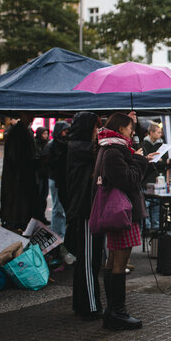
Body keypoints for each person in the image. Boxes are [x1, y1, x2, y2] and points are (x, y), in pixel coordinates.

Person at [95, 113, 149, 330]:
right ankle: (118, 312)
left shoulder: (110, 147)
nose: (132, 132)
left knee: (113, 261)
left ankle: (112, 311)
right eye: (128, 128)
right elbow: (128, 179)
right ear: (119, 128)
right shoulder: (113, 152)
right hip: (122, 213)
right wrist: (139, 159)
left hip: (118, 212)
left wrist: (141, 159)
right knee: (119, 262)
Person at [67, 112, 103, 319]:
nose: (97, 133)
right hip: (85, 210)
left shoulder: (78, 147)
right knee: (89, 261)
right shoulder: (80, 148)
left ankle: (82, 303)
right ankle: (90, 307)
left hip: (86, 208)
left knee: (88, 260)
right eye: (95, 128)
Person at [0, 113, 40, 232]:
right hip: (18, 184)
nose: (31, 117)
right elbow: (17, 160)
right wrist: (35, 162)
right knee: (18, 220)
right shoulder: (18, 132)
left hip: (22, 183)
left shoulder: (24, 131)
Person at [45, 121, 71, 240]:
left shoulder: (64, 144)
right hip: (55, 179)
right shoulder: (53, 145)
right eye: (65, 131)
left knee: (60, 207)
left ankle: (59, 232)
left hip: (61, 179)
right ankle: (57, 234)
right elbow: (48, 162)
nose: (67, 133)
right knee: (58, 207)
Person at [141, 122, 169, 232]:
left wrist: (153, 161)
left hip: (158, 178)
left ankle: (156, 226)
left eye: (161, 132)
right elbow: (144, 161)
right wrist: (155, 161)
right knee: (146, 204)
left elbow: (164, 162)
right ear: (151, 132)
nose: (160, 134)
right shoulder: (143, 144)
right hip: (146, 178)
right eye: (158, 132)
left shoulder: (162, 145)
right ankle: (146, 227)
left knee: (156, 204)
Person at [34, 126, 50, 224]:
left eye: (46, 134)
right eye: (44, 134)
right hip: (39, 174)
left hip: (45, 174)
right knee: (39, 196)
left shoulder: (47, 144)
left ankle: (42, 216)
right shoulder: (36, 144)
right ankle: (37, 217)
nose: (45, 136)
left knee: (44, 196)